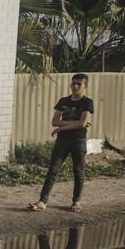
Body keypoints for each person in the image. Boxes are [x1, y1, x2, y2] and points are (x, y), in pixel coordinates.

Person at [29, 73, 94, 213]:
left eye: (79, 84)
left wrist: (61, 127)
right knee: (53, 169)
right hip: (63, 140)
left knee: (78, 170)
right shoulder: (63, 101)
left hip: (78, 140)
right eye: (73, 83)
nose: (75, 86)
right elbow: (54, 121)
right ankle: (42, 201)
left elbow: (82, 124)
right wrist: (69, 125)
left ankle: (76, 201)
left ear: (85, 86)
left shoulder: (87, 102)